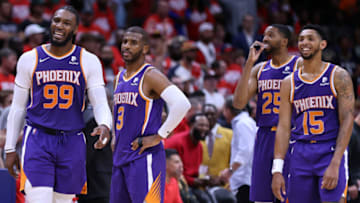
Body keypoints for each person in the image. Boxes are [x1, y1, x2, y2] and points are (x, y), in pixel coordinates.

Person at [4, 6, 112, 203]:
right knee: (39, 199)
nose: (59, 26)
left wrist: (105, 124)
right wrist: (10, 148)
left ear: (76, 29)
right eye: (56, 20)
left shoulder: (88, 60)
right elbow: (18, 107)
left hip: (72, 141)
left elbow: (100, 102)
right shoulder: (30, 59)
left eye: (66, 22)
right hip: (38, 138)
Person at [271, 24, 354, 203]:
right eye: (301, 39)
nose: (304, 43)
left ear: (322, 44)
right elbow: (283, 127)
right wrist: (277, 170)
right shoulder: (289, 82)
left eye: (310, 39)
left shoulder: (338, 76)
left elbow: (347, 121)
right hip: (300, 151)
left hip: (329, 149)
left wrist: (336, 162)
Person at [111, 26, 190, 203]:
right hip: (121, 156)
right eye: (124, 42)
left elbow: (182, 104)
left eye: (133, 43)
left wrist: (159, 136)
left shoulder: (151, 75)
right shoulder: (119, 77)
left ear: (145, 48)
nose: (127, 46)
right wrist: (115, 136)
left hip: (143, 158)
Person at [233, 24, 301, 202]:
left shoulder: (298, 65)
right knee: (262, 199)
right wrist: (249, 64)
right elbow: (239, 103)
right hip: (264, 135)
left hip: (290, 135)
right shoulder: (259, 69)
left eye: (271, 35)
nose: (264, 39)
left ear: (284, 41)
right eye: (264, 35)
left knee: (290, 196)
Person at [222, 96, 257, 203]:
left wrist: (231, 170)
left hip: (245, 180)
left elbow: (246, 150)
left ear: (228, 110)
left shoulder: (243, 123)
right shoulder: (245, 122)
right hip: (245, 179)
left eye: (224, 110)